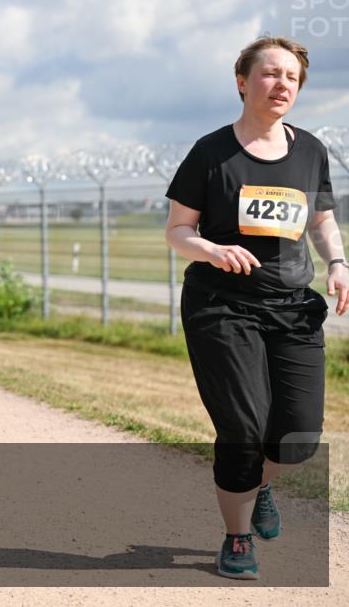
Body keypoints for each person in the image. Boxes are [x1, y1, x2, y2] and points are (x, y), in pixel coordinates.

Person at [166, 36, 348, 581]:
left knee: (297, 438)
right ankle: (238, 537)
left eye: (291, 77)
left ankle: (261, 484)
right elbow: (178, 229)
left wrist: (338, 262)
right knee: (243, 428)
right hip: (222, 307)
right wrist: (212, 250)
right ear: (243, 82)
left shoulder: (311, 150)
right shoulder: (211, 152)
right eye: (270, 73)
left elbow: (320, 220)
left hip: (292, 308)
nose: (281, 84)